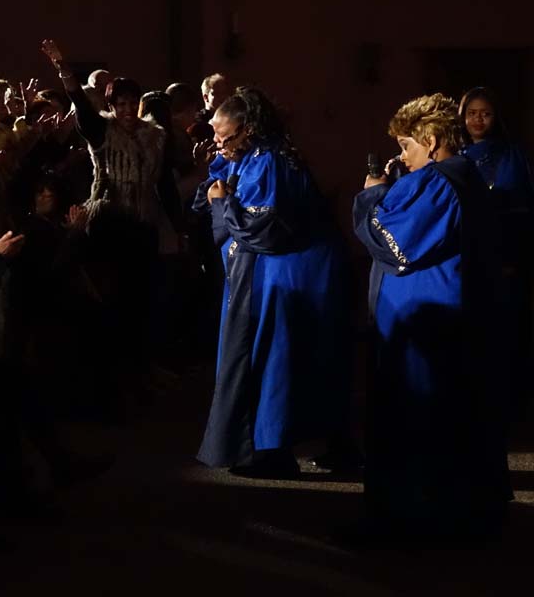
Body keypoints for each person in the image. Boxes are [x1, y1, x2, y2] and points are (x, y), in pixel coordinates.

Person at [354, 93, 511, 538]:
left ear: (431, 139)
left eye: (407, 145)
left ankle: (412, 520)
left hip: (427, 320)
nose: (402, 157)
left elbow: (396, 243)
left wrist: (372, 195)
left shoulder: (438, 182)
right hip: (448, 315)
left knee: (419, 419)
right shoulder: (464, 176)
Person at [194, 86, 350, 477]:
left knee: (279, 358)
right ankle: (326, 444)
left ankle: (273, 452)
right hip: (291, 269)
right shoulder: (256, 154)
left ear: (248, 129)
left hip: (294, 272)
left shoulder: (269, 160)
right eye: (215, 136)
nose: (218, 144)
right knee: (305, 357)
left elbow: (261, 227)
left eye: (224, 137)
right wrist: (219, 181)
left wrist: (222, 203)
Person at [40, 40, 169, 237]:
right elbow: (81, 102)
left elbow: (164, 181)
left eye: (133, 103)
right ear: (112, 107)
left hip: (143, 218)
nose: (129, 109)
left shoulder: (154, 135)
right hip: (108, 217)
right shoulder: (102, 130)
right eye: (122, 104)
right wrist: (63, 68)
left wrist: (177, 225)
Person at [459, 86, 534, 412]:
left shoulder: (511, 155)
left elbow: (521, 208)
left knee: (506, 330)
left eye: (485, 113)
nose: (478, 120)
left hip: (505, 255)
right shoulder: (456, 156)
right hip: (466, 256)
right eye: (472, 113)